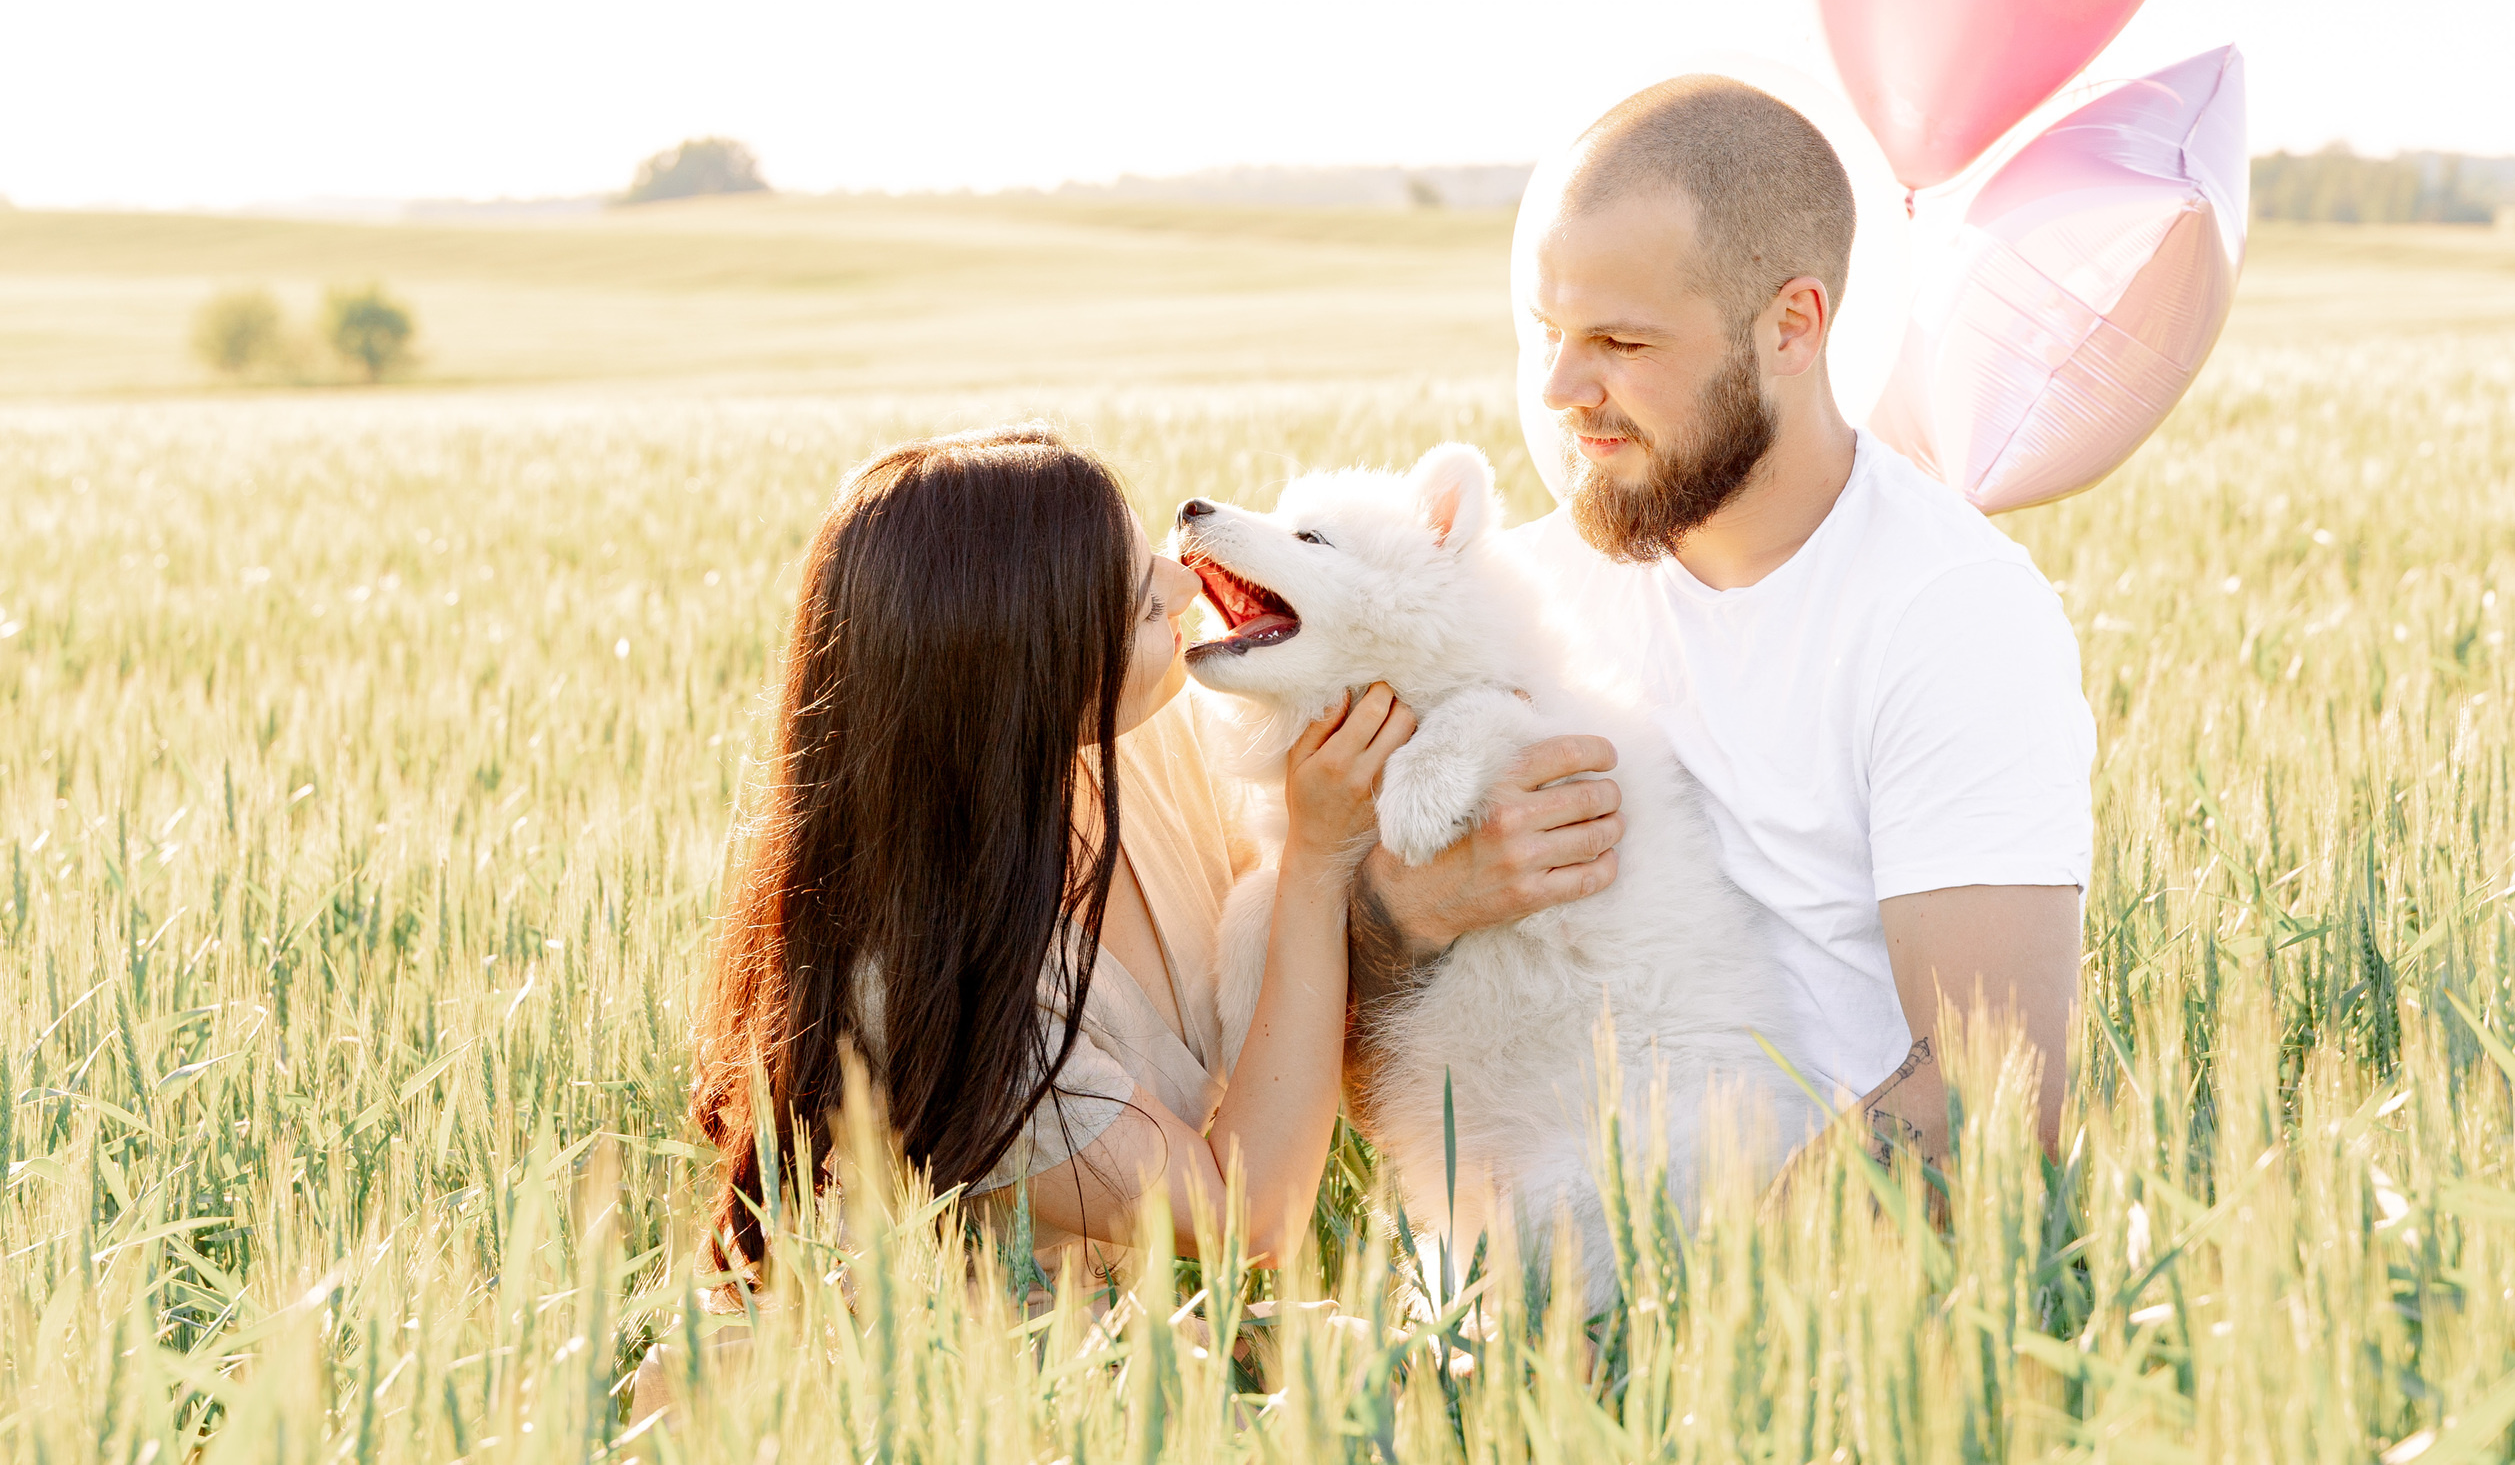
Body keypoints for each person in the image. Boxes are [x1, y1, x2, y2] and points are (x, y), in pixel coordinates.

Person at [1351, 77, 2094, 1162]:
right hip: (1504, 1290)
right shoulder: (1511, 596)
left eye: (1622, 341)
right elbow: (1325, 1025)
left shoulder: (1951, 616)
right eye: (1545, 330)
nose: (1560, 385)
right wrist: (1405, 908)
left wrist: (1694, 1306)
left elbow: (1987, 1084)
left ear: (1791, 325)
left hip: (1812, 1292)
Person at [687, 425, 1416, 1286]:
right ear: (1028, 677)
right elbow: (1247, 1219)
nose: (1187, 584)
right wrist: (1318, 861)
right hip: (1004, 1395)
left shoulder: (1140, 750)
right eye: (1145, 603)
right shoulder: (923, 983)